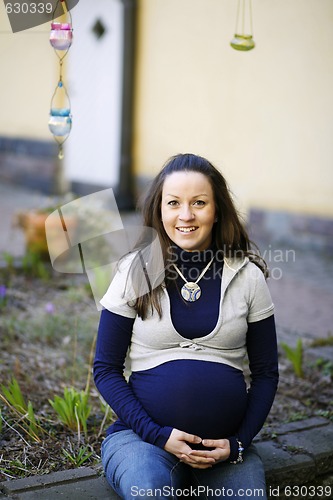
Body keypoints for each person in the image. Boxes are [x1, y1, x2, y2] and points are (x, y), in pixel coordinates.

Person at [94, 153, 279, 499]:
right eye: (174, 203)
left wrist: (238, 443)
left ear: (217, 209)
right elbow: (105, 368)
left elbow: (267, 372)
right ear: (158, 209)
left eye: (199, 203)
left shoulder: (248, 276)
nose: (186, 215)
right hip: (142, 442)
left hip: (223, 452)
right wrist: (157, 434)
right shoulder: (135, 271)